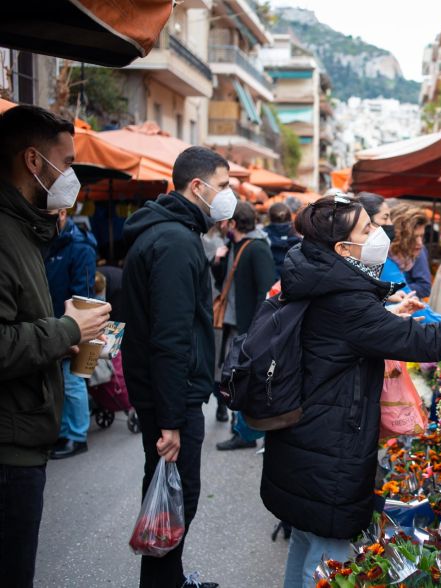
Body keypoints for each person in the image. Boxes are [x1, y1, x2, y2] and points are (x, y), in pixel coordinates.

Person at [261, 194, 441, 588]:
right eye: (368, 228)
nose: (379, 233)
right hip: (329, 449)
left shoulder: (311, 274)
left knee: (306, 540)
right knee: (328, 561)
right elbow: (430, 342)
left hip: (304, 439)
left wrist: (385, 310)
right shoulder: (344, 300)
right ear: (342, 248)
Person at [0, 105, 110, 587]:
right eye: (65, 163)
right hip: (9, 448)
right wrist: (66, 330)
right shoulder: (5, 234)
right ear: (32, 162)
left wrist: (63, 339)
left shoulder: (25, 230)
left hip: (23, 435)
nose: (71, 176)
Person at [121, 146, 232, 588]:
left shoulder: (171, 233)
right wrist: (171, 419)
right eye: (223, 186)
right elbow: (170, 337)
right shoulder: (175, 241)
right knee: (176, 493)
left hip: (171, 393)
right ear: (198, 187)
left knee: (169, 492)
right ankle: (163, 582)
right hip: (173, 397)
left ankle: (172, 577)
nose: (229, 196)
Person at [212, 200, 277, 451]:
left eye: (225, 221)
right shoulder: (233, 245)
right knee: (233, 377)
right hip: (235, 322)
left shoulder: (257, 248)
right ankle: (240, 428)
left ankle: (245, 433)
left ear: (234, 223)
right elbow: (224, 281)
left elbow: (266, 289)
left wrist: (260, 328)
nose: (222, 225)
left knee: (242, 378)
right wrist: (217, 262)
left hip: (248, 325)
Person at [44, 206, 98, 459]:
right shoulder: (52, 242)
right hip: (53, 323)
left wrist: (74, 328)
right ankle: (66, 433)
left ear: (63, 213)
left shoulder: (80, 246)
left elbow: (83, 294)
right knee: (62, 383)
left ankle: (77, 436)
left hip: (73, 325)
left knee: (72, 382)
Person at [378, 203, 441, 322]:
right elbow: (419, 311)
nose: (420, 243)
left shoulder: (392, 259)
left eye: (422, 237)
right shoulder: (386, 263)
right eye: (413, 238)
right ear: (399, 236)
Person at [265, 201, 302, 279]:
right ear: (290, 216)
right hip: (293, 282)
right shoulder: (300, 237)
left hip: (270, 281)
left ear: (269, 217)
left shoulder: (262, 237)